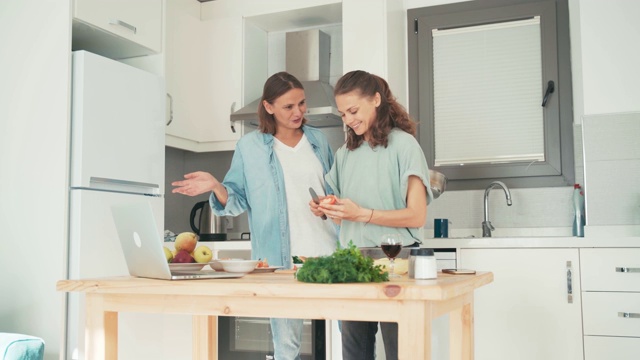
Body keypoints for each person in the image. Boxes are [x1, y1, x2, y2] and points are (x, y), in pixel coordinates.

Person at [172, 71, 337, 360]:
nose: (298, 112)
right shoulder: (249, 148)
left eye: (301, 103)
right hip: (280, 261)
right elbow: (235, 202)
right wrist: (215, 185)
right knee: (287, 348)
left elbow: (336, 193)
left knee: (344, 337)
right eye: (288, 106)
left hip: (327, 253)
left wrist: (329, 205)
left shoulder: (319, 141)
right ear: (268, 107)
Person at [310, 70, 434, 360]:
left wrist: (363, 214)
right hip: (354, 263)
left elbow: (417, 215)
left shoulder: (405, 146)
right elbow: (344, 217)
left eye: (353, 110)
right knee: (355, 354)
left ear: (376, 99)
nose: (348, 120)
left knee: (400, 352)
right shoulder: (345, 154)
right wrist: (327, 209)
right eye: (342, 114)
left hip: (397, 263)